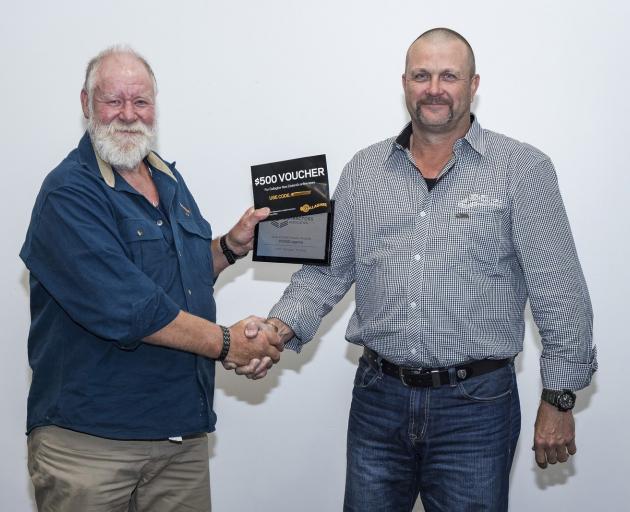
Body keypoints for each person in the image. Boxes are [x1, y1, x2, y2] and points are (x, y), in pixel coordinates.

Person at [236, 28, 597, 511]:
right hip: (377, 400)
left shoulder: (522, 169)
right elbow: (326, 273)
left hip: (477, 408)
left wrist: (560, 398)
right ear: (404, 83)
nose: (434, 88)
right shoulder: (364, 171)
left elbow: (560, 290)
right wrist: (276, 330)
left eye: (449, 76)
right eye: (422, 75)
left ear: (473, 85)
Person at [20, 46, 282, 512]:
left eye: (140, 102)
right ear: (86, 104)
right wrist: (229, 343)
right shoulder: (69, 193)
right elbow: (132, 308)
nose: (127, 114)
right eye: (113, 100)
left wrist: (228, 248)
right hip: (92, 446)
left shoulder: (167, 180)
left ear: (155, 106)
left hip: (178, 439)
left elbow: (176, 277)